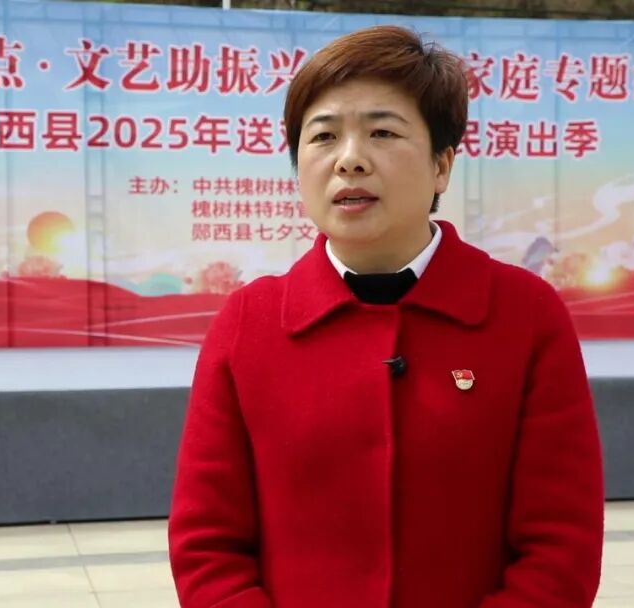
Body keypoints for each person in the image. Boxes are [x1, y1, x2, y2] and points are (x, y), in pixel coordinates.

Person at [168, 25, 604, 608]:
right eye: (323, 136)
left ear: (442, 165)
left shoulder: (525, 315)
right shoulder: (248, 322)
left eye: (382, 132)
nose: (350, 160)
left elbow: (561, 546)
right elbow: (207, 546)